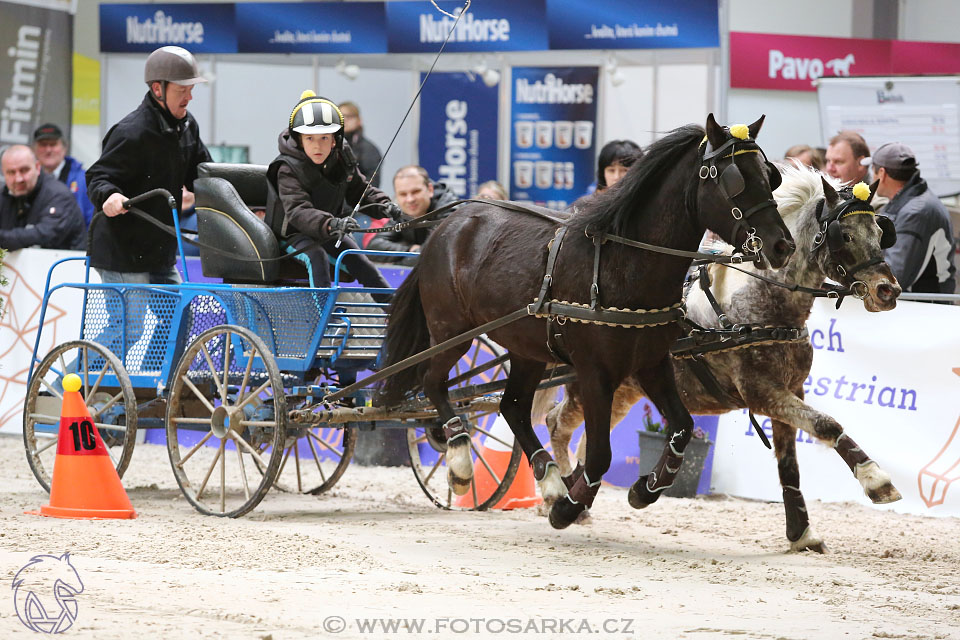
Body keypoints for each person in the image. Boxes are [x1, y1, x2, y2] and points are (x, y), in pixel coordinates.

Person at [84, 45, 212, 368]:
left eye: (191, 90)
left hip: (158, 250)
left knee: (180, 316)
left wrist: (240, 201)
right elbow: (98, 176)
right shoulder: (132, 132)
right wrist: (109, 196)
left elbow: (206, 176)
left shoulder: (187, 127)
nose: (189, 98)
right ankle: (72, 389)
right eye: (182, 91)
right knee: (129, 326)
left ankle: (151, 385)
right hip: (121, 250)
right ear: (158, 89)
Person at [265, 90, 401, 292]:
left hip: (329, 229)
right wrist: (332, 223)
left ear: (335, 139)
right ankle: (325, 319)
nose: (317, 146)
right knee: (316, 257)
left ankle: (394, 313)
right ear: (299, 139)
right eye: (309, 138)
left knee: (360, 261)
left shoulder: (342, 158)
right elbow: (298, 211)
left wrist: (385, 206)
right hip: (292, 235)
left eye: (324, 138)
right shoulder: (287, 168)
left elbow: (359, 191)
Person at [865, 142, 956, 295]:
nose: (871, 177)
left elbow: (894, 277)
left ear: (882, 173)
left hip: (925, 308)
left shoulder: (916, 212)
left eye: (872, 171)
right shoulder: (908, 202)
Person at [366, 165, 458, 263]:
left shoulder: (450, 209)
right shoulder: (400, 211)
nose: (410, 199)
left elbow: (436, 253)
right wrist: (409, 250)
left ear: (430, 190)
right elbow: (373, 248)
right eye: (403, 194)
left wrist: (402, 260)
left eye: (416, 192)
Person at [0, 145, 85, 250]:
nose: (18, 179)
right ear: (3, 173)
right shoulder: (4, 195)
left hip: (61, 264)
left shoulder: (58, 194)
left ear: (37, 167)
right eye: (11, 172)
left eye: (24, 170)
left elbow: (45, 235)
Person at [32, 123, 96, 226]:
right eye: (43, 145)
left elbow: (91, 220)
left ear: (64, 148)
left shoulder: (83, 180)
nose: (48, 150)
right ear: (34, 149)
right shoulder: (27, 179)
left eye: (53, 144)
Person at [338, 101, 383, 188]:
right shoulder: (329, 145)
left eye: (349, 116)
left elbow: (372, 185)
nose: (345, 120)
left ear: (359, 120)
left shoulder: (369, 149)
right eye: (341, 116)